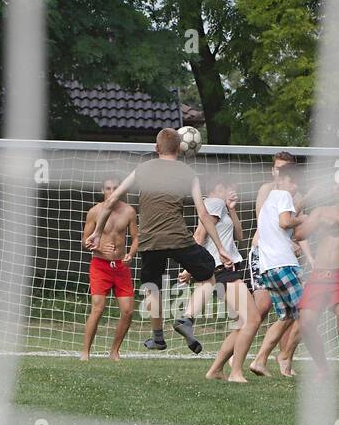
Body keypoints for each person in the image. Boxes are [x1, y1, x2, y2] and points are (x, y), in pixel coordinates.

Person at [87, 128, 232, 353]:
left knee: (152, 288)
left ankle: (158, 338)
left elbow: (113, 199)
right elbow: (203, 214)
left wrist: (96, 233)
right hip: (179, 238)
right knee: (208, 276)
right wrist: (221, 248)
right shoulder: (188, 173)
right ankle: (186, 319)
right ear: (180, 148)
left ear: (156, 148)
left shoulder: (142, 169)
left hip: (149, 241)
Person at [182, 182, 261, 382]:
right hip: (222, 270)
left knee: (243, 323)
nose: (232, 188)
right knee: (252, 320)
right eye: (228, 184)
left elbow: (239, 235)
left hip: (228, 268)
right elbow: (199, 235)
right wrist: (189, 268)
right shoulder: (215, 202)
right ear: (216, 186)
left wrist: (232, 209)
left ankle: (216, 370)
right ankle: (236, 372)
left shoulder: (220, 205)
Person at [294, 166, 339, 386]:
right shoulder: (321, 212)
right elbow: (299, 234)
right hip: (319, 274)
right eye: (334, 183)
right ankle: (323, 369)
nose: (336, 187)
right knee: (306, 322)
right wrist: (319, 223)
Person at [249, 155, 305, 376]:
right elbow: (285, 222)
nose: (296, 186)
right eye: (295, 181)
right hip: (283, 264)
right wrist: (303, 219)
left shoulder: (270, 197)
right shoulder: (283, 195)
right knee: (309, 312)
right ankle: (285, 356)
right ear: (286, 180)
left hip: (268, 266)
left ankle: (259, 360)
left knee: (286, 316)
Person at [80, 177, 138, 360]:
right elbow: (85, 241)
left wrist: (131, 254)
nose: (112, 191)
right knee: (98, 308)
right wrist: (97, 247)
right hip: (100, 265)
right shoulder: (95, 212)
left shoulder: (129, 211)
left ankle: (114, 351)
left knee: (128, 311)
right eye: (108, 188)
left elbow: (136, 237)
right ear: (103, 190)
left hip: (121, 266)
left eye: (115, 188)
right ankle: (85, 352)